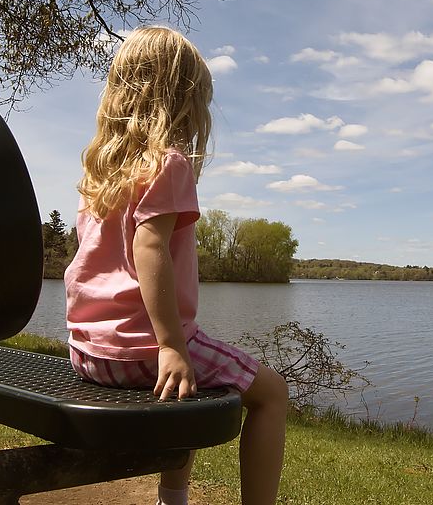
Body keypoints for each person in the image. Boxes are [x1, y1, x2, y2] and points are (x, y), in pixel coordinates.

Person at [64, 26, 288, 505]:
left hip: (87, 353)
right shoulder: (168, 164)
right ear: (184, 98)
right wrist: (169, 344)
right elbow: (150, 248)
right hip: (141, 351)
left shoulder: (99, 170)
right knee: (271, 394)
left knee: (186, 385)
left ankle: (176, 499)